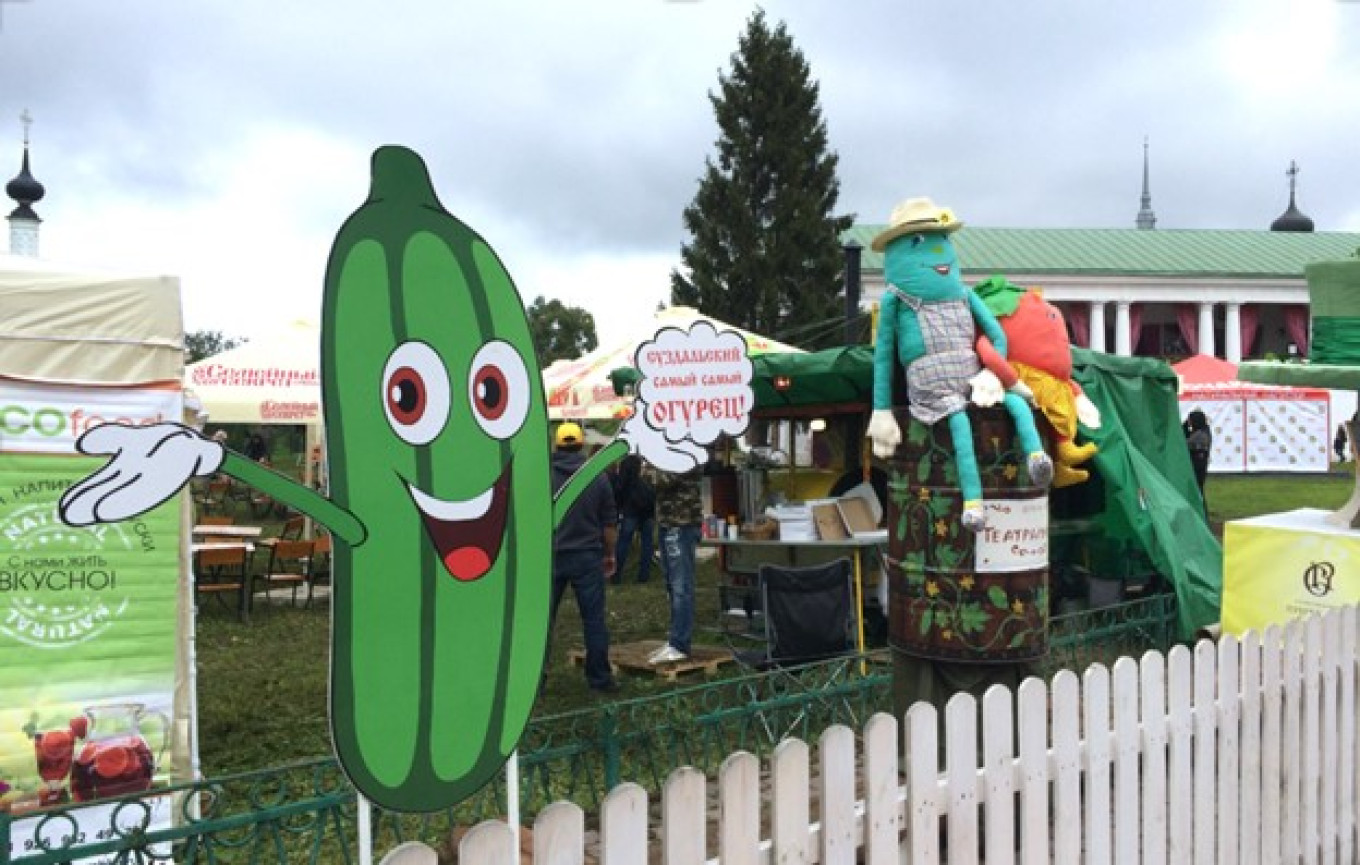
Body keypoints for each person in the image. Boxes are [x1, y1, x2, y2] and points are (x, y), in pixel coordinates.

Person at [549, 422, 620, 693]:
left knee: (544, 622)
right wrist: (610, 554)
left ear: (556, 445)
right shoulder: (597, 478)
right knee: (593, 620)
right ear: (581, 445)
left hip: (551, 557)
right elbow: (609, 525)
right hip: (587, 556)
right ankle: (599, 680)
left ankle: (534, 683)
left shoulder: (543, 475)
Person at [648, 462, 704, 664]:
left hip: (681, 524)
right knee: (672, 585)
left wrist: (646, 468)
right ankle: (675, 640)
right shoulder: (671, 450)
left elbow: (661, 480)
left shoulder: (686, 452)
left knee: (681, 586)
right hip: (669, 522)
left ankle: (680, 643)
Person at [611, 454, 656, 585]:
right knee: (647, 543)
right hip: (647, 513)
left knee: (623, 542)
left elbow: (618, 496)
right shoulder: (645, 481)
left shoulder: (623, 482)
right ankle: (644, 575)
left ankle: (616, 574)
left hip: (630, 512)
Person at [1183, 410, 1212, 511]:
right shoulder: (1202, 431)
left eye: (1191, 421)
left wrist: (1185, 426)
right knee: (1197, 490)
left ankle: (1201, 512)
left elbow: (1184, 443)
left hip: (1198, 465)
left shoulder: (1200, 435)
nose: (1189, 423)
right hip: (1198, 464)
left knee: (1197, 490)